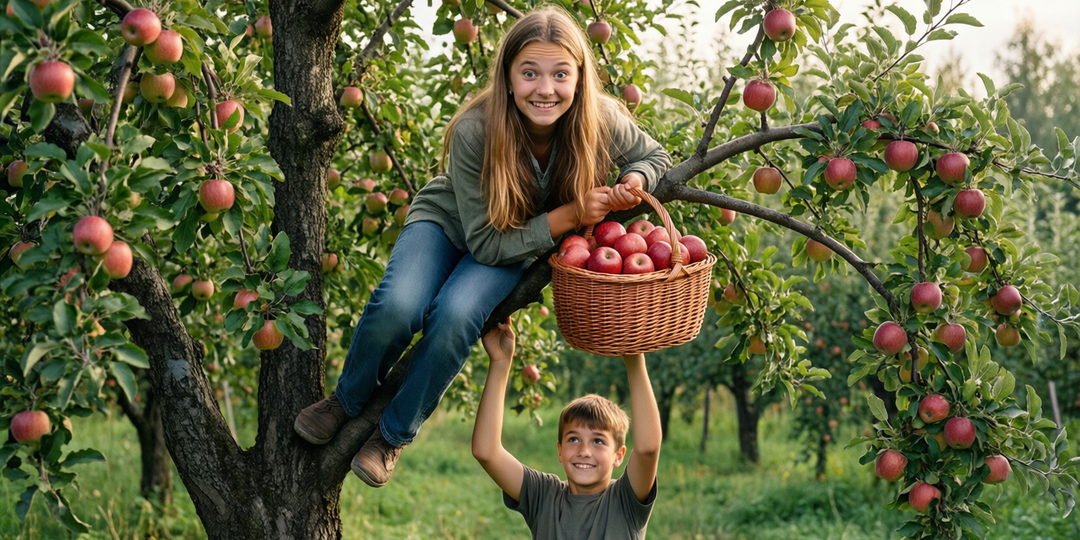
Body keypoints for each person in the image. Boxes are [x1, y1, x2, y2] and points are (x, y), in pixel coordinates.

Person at [293, 5, 671, 488]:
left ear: (579, 78)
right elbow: (484, 241)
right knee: (399, 305)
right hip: (450, 226)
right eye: (529, 73)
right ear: (508, 76)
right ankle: (347, 400)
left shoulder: (599, 119)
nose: (545, 88)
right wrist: (573, 214)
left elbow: (653, 154)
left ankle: (391, 434)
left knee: (455, 316)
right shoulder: (477, 128)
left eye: (560, 73)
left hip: (515, 242)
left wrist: (635, 179)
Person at [473, 318, 662, 539]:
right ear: (560, 450)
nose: (584, 451)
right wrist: (500, 361)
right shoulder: (543, 495)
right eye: (574, 439)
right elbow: (486, 452)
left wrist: (634, 358)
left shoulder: (625, 501)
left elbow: (648, 448)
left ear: (618, 455)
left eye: (598, 441)